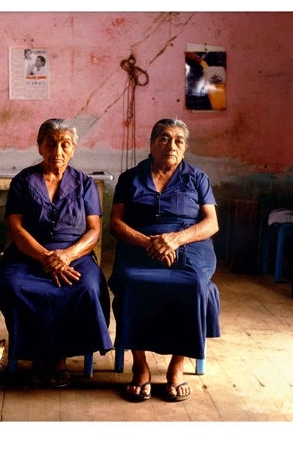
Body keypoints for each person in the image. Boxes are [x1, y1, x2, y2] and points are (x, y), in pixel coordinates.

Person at [108, 117, 220, 403]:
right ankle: (141, 367)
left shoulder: (197, 178)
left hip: (189, 247)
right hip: (140, 246)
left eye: (178, 141)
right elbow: (116, 224)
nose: (171, 145)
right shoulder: (130, 178)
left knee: (193, 283)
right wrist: (149, 243)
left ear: (185, 149)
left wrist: (175, 239)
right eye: (165, 139)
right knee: (131, 281)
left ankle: (176, 368)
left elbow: (211, 224)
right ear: (151, 143)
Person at [0, 118, 112, 388]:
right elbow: (15, 227)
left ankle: (59, 357)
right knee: (15, 286)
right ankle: (37, 355)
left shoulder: (85, 184)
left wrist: (67, 256)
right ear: (39, 146)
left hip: (76, 256)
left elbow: (94, 231)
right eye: (50, 143)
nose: (57, 150)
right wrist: (46, 257)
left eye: (64, 144)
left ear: (73, 149)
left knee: (86, 288)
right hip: (28, 254)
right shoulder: (23, 181)